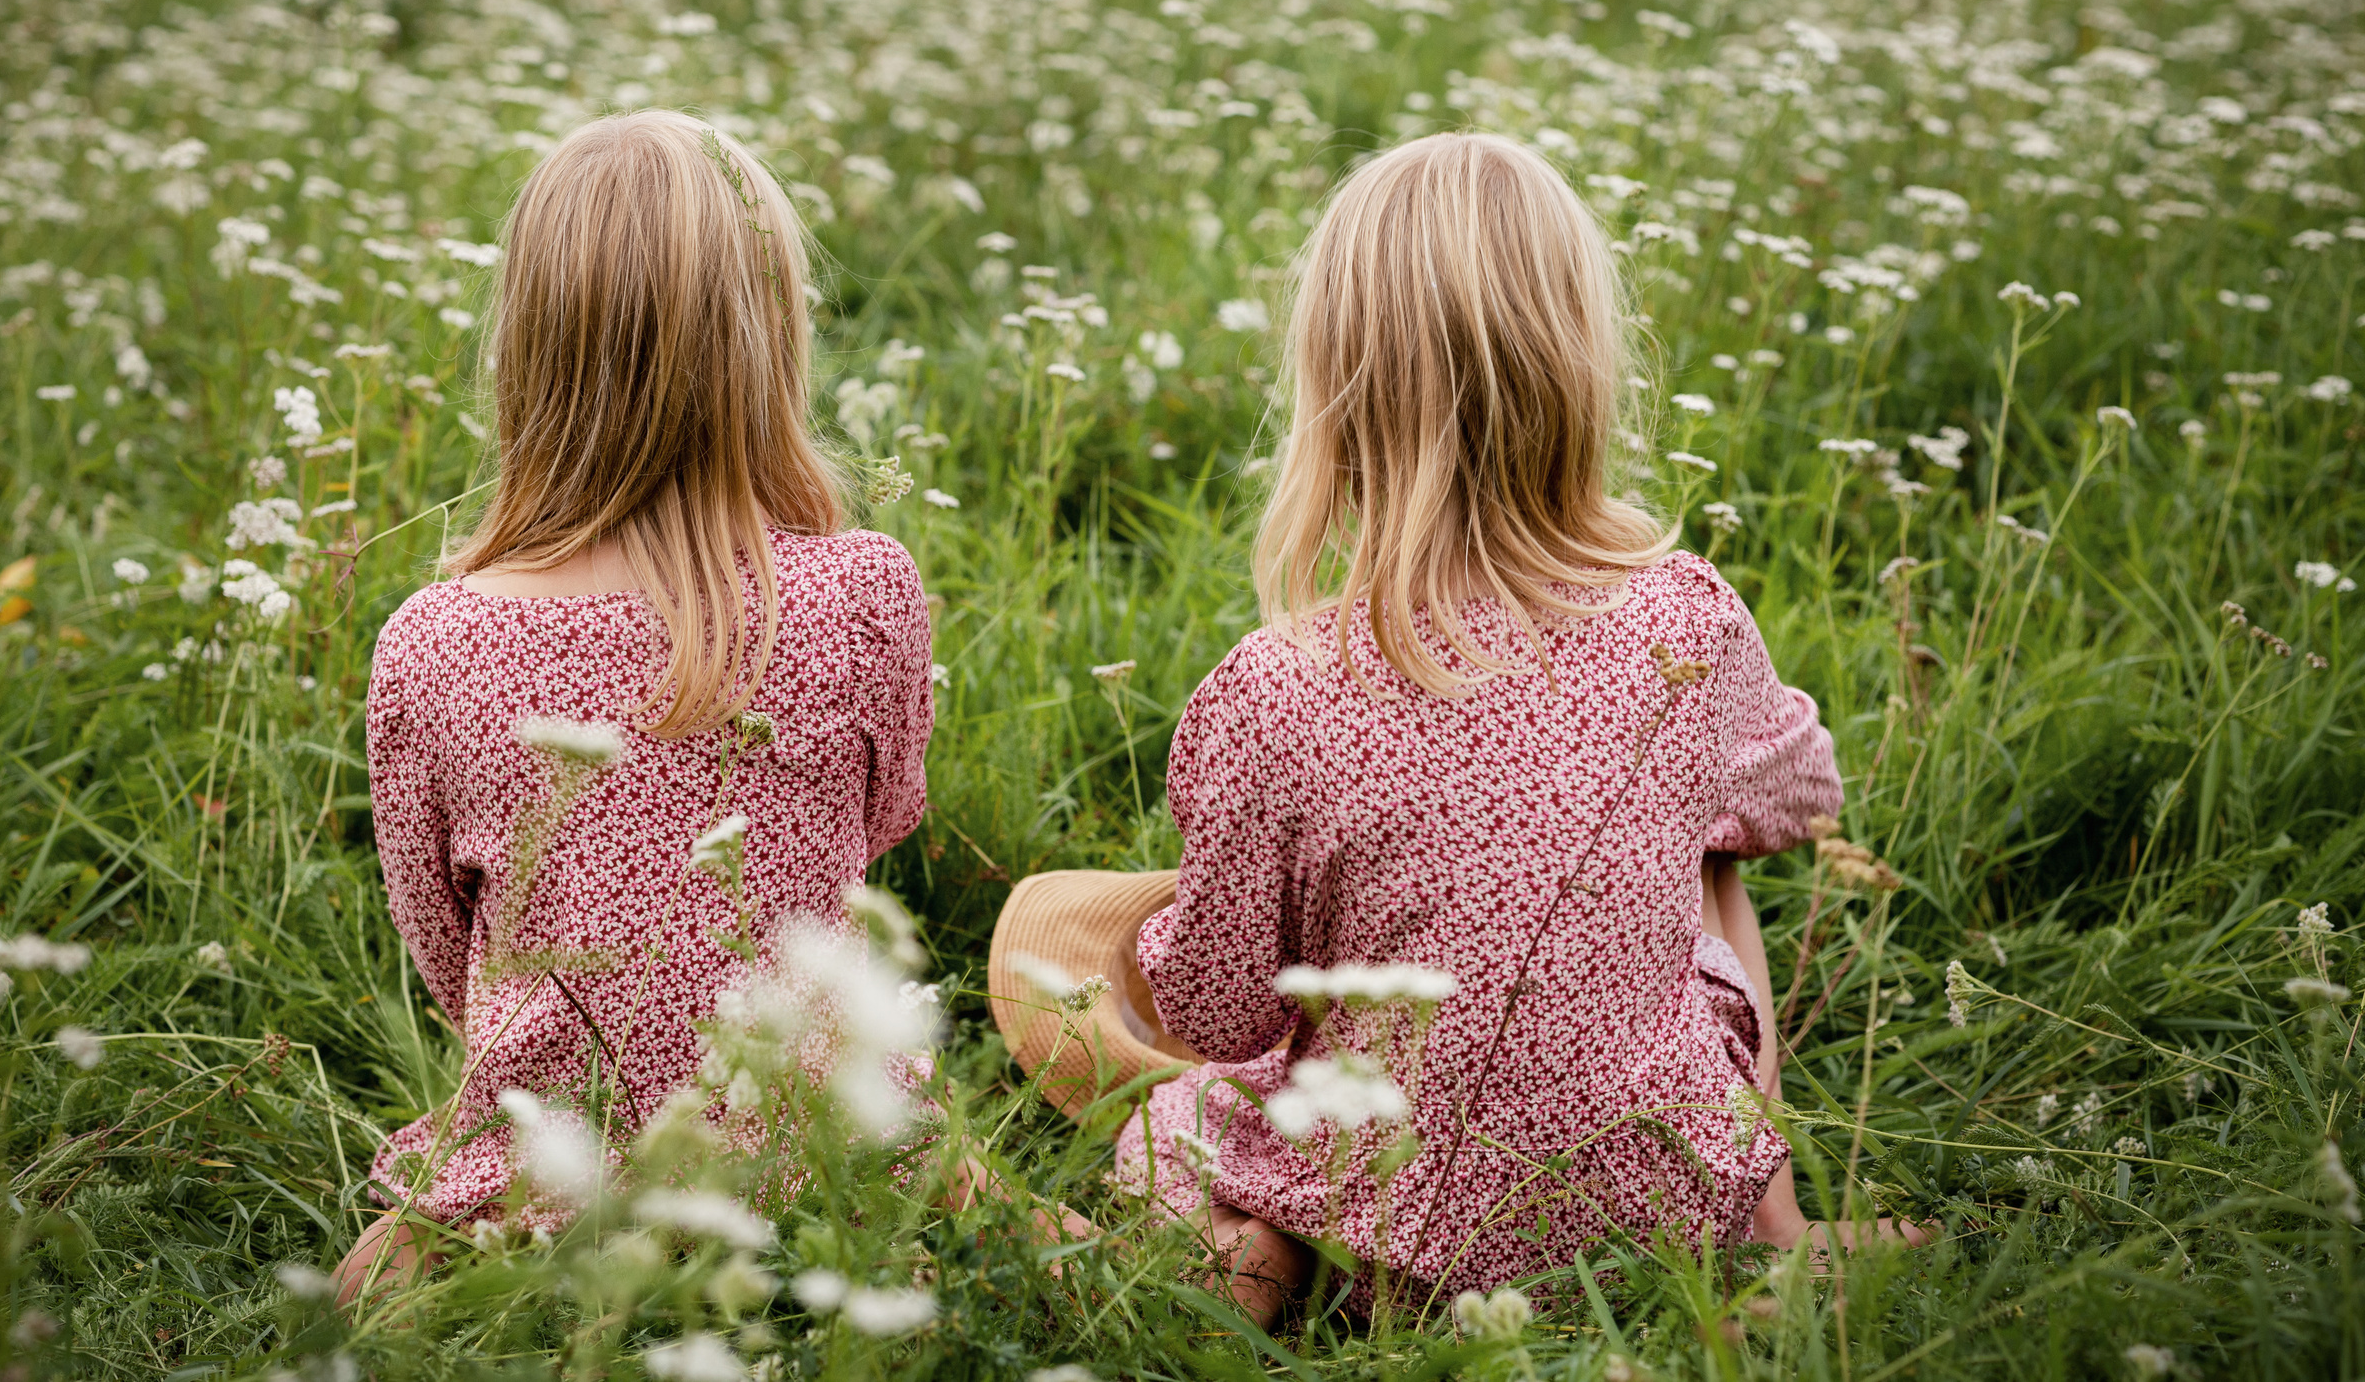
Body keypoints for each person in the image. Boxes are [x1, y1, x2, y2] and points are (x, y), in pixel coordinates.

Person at [1104, 132, 1924, 1324]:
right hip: (1654, 1190)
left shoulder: (1270, 686)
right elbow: (1797, 798)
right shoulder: (1681, 615)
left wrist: (1183, 928)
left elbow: (1220, 1015)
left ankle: (1267, 1243)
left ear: (1336, 387)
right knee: (1715, 850)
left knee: (1165, 1122)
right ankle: (1774, 1227)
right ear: (1580, 364)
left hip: (1383, 1193)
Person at [335, 111, 935, 1305]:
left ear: (529, 347)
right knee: (1015, 1237)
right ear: (770, 337)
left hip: (549, 1156)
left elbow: (450, 946)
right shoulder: (863, 586)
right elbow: (875, 831)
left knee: (372, 1305)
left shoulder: (435, 640)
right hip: (820, 1137)